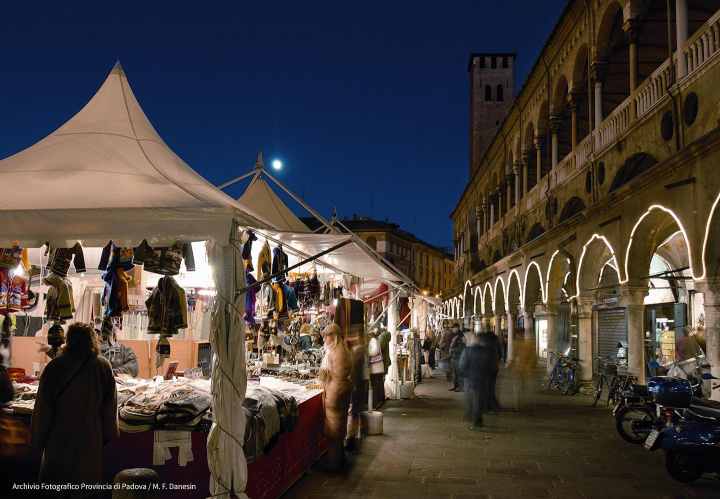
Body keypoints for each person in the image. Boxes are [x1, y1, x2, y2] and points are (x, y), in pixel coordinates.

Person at [31, 322, 118, 493]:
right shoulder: (103, 366)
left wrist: (37, 441)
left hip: (58, 441)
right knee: (85, 490)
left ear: (68, 340)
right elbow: (110, 408)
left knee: (57, 488)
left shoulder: (55, 367)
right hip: (90, 441)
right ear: (92, 340)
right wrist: (107, 436)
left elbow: (42, 408)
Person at [318, 323, 352, 470]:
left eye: (326, 336)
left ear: (333, 337)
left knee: (333, 433)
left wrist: (323, 378)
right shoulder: (343, 349)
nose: (325, 339)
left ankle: (334, 464)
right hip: (342, 392)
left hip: (335, 393)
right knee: (339, 430)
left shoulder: (334, 352)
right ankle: (339, 459)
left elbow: (330, 375)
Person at [459, 332, 493, 429]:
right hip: (482, 379)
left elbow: (462, 365)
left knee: (472, 399)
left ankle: (475, 421)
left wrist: (465, 375)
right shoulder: (485, 351)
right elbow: (490, 366)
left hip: (470, 379)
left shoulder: (467, 351)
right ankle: (477, 419)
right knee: (479, 400)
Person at [479, 330, 503, 411]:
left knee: (485, 387)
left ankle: (486, 405)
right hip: (494, 367)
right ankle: (492, 404)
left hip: (485, 368)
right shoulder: (496, 342)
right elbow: (500, 354)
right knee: (491, 387)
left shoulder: (483, 343)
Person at [448, 327, 466, 391]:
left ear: (457, 328)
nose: (452, 329)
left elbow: (462, 348)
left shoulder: (461, 337)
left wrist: (453, 350)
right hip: (454, 357)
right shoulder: (454, 336)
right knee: (454, 373)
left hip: (458, 357)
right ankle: (455, 386)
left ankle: (460, 387)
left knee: (458, 373)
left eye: (453, 328)